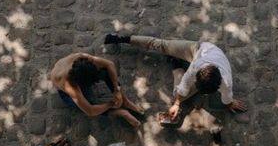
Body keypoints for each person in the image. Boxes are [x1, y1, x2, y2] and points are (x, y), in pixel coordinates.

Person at [104, 34, 247, 122]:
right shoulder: (197, 66)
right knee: (162, 45)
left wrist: (230, 104)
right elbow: (185, 83)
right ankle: (124, 38)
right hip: (198, 50)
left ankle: (177, 65)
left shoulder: (226, 83)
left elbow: (227, 99)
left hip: (207, 60)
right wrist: (177, 104)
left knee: (176, 95)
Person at [50, 52, 143, 128]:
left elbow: (109, 64)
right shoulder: (69, 85)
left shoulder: (82, 59)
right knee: (85, 103)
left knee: (105, 71)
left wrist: (117, 89)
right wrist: (110, 104)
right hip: (66, 92)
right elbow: (90, 111)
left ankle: (126, 101)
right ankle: (122, 113)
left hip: (78, 74)